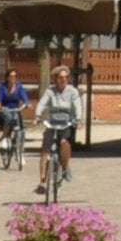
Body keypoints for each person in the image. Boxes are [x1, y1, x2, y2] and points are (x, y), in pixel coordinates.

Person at [36, 65, 84, 194]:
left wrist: (78, 120)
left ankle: (65, 166)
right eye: (61, 77)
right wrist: (37, 116)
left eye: (66, 77)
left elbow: (77, 105)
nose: (63, 79)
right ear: (55, 78)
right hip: (52, 122)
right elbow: (42, 103)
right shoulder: (50, 91)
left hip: (67, 122)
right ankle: (42, 182)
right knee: (45, 151)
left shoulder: (72, 91)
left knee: (64, 142)